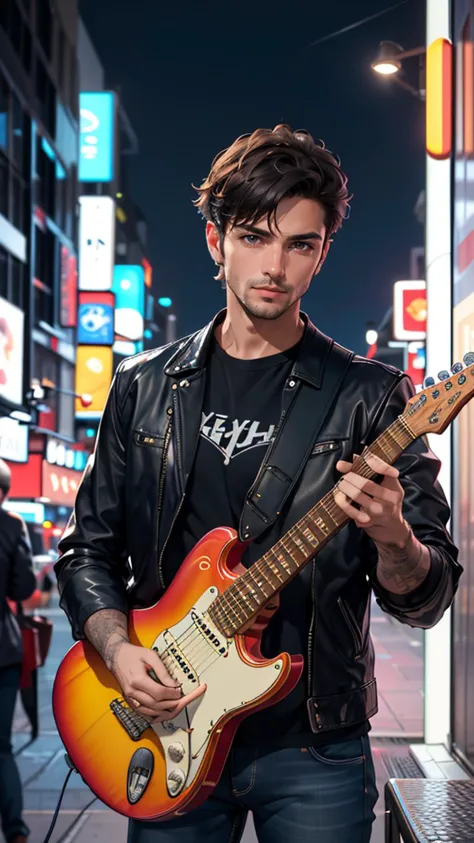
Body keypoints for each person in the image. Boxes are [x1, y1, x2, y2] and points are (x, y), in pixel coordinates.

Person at [55, 124, 461, 843]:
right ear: (216, 241)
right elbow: (86, 550)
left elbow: (428, 597)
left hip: (314, 746)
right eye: (254, 237)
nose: (274, 265)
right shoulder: (143, 387)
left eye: (300, 244)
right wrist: (119, 652)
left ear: (322, 253)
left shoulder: (371, 397)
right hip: (163, 723)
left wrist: (396, 540)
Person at [0, 458, 36, 843]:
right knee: (1, 747)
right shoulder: (11, 526)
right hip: (3, 650)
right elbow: (23, 588)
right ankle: (16, 830)